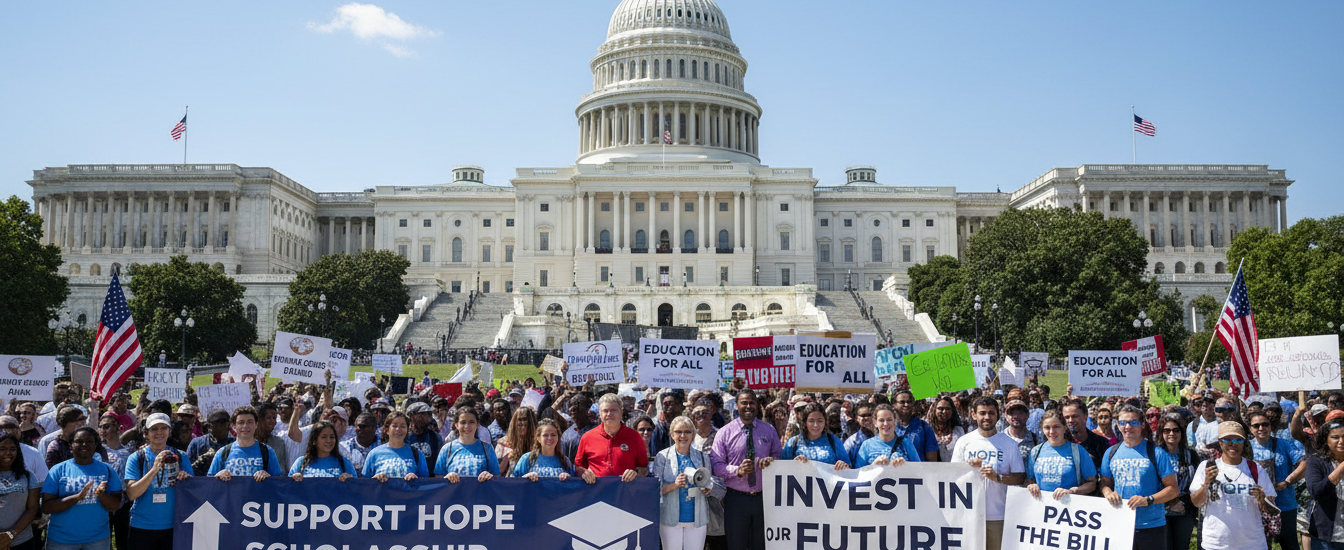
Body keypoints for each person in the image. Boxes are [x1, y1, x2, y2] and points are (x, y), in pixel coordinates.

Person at [1099, 405, 1179, 550]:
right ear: (1117, 425)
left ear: (1142, 425)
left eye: (1134, 422)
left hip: (1151, 526)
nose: (1128, 427)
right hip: (1121, 523)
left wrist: (1148, 500)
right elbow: (1105, 483)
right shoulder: (1111, 452)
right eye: (1123, 423)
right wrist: (1108, 492)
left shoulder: (1156, 452)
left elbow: (1173, 490)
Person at [951, 396, 1025, 550]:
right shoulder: (964, 442)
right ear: (973, 415)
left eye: (991, 413)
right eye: (982, 413)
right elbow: (953, 477)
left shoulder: (1009, 444)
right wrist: (969, 467)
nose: (987, 417)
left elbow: (1019, 478)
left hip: (998, 515)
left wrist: (997, 477)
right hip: (969, 514)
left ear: (998, 415)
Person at [1190, 421, 1277, 550]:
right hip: (1216, 544)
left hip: (1252, 544)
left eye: (1238, 440)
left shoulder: (1255, 469)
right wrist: (1206, 484)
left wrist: (1262, 498)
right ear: (1220, 442)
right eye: (1227, 440)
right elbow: (1196, 502)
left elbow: (1272, 509)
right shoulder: (1207, 467)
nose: (1233, 444)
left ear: (1243, 443)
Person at [711, 390, 780, 550]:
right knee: (736, 545)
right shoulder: (724, 432)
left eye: (752, 403)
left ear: (757, 405)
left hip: (763, 499)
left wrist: (772, 462)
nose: (748, 406)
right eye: (744, 403)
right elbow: (717, 465)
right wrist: (737, 471)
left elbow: (778, 455)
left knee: (761, 545)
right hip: (736, 500)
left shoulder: (769, 430)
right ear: (736, 405)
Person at [41, 427, 123, 550]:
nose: (84, 444)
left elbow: (115, 505)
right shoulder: (58, 470)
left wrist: (101, 496)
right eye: (79, 441)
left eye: (89, 441)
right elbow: (46, 507)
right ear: (71, 445)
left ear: (95, 444)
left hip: (97, 539)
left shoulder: (107, 470)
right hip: (61, 540)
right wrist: (76, 498)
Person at [123, 413, 190, 550]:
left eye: (163, 428)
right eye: (154, 429)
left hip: (174, 525)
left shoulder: (181, 456)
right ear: (146, 434)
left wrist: (185, 480)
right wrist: (154, 469)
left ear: (169, 431)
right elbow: (132, 494)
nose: (159, 432)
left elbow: (191, 494)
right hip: (142, 526)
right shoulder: (136, 458)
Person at [653, 416, 715, 550]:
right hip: (670, 518)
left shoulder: (703, 456)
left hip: (697, 518)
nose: (683, 436)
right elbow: (654, 491)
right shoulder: (662, 456)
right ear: (672, 434)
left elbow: (710, 482)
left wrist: (707, 488)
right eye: (678, 432)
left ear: (693, 434)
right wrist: (674, 485)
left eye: (687, 431)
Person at [1249, 410, 1305, 550]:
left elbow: (1304, 463)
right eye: (1256, 425)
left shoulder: (1283, 444)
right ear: (1250, 428)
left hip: (1285, 505)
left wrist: (1288, 481)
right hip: (1256, 507)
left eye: (1265, 424)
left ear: (1270, 426)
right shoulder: (1246, 448)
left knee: (1290, 544)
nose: (1261, 428)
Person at [1025, 410, 1097, 499]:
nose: (1052, 431)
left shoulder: (1078, 451)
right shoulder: (1036, 451)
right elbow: (1029, 479)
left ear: (1065, 428)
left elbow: (1092, 483)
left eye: (1056, 427)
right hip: (1042, 504)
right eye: (1047, 427)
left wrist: (1072, 491)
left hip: (1069, 504)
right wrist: (1032, 485)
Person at [576, 394, 649, 482]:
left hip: (625, 489)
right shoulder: (587, 437)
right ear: (600, 413)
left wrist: (636, 473)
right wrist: (584, 473)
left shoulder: (634, 437)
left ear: (621, 412)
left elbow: (644, 468)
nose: (609, 414)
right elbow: (578, 466)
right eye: (605, 411)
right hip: (596, 489)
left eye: (613, 410)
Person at [1154, 413, 1199, 550]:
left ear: (1182, 432)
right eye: (1166, 430)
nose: (1171, 434)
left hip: (1184, 510)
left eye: (1176, 430)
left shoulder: (1191, 455)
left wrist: (1183, 503)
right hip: (1159, 510)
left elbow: (1197, 484)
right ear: (1161, 433)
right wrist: (1169, 502)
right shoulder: (1154, 454)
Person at [207, 406, 283, 481]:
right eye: (241, 422)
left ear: (256, 424)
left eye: (250, 422)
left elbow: (279, 482)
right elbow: (209, 483)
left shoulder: (268, 452)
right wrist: (217, 477)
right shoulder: (223, 453)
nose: (245, 426)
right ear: (233, 426)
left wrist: (268, 477)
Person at [1305, 419, 1344, 548]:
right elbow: (1315, 491)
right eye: (1335, 437)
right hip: (1327, 535)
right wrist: (1340, 468)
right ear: (1325, 440)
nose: (1341, 441)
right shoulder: (1316, 461)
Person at [434, 408, 500, 482]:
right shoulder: (447, 448)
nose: (467, 426)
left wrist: (489, 476)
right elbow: (438, 478)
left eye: (471, 422)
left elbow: (497, 477)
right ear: (456, 425)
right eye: (463, 422)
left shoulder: (487, 448)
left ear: (477, 424)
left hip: (480, 490)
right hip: (454, 490)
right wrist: (447, 478)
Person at [0, 433, 40, 550]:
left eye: (12, 449)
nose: (8, 453)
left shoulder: (27, 476)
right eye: (2, 449)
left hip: (22, 540)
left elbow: (32, 509)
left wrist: (10, 535)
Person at [362, 412, 430, 481]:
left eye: (402, 426)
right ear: (386, 430)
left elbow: (426, 483)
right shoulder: (374, 454)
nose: (398, 429)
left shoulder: (417, 454)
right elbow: (364, 483)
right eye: (394, 426)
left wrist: (415, 478)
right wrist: (375, 480)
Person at [782, 403, 850, 469]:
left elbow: (848, 469)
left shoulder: (834, 441)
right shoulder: (792, 443)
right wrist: (793, 464)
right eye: (811, 421)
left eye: (819, 421)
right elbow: (782, 469)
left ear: (825, 421)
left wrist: (843, 466)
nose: (815, 425)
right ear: (805, 422)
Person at [855, 404, 921, 467]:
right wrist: (874, 466)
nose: (886, 424)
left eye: (889, 420)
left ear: (895, 421)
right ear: (875, 422)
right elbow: (859, 472)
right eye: (881, 420)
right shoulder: (867, 445)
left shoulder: (906, 443)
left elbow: (919, 469)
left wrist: (905, 465)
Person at [289, 420, 356, 480]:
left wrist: (350, 480)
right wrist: (294, 479)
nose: (329, 440)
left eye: (332, 437)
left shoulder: (344, 463)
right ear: (314, 441)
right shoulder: (301, 463)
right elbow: (288, 487)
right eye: (324, 437)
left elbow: (357, 488)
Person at [512, 419, 576, 480]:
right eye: (545, 435)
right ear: (538, 438)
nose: (549, 438)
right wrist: (525, 478)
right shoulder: (527, 459)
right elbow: (513, 483)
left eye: (553, 435)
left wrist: (568, 478)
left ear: (558, 437)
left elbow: (574, 485)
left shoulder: (565, 461)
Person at [891, 390, 939, 462]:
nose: (906, 405)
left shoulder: (923, 427)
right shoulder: (888, 427)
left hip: (918, 468)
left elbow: (932, 459)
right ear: (894, 405)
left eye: (909, 402)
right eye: (902, 402)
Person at [185, 409, 234, 476]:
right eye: (221, 422)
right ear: (210, 426)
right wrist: (202, 460)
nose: (226, 426)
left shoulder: (234, 444)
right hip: (202, 481)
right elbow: (186, 471)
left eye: (228, 423)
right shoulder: (197, 443)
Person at [1063, 400, 1108, 469]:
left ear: (1085, 416)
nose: (1070, 420)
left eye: (1075, 416)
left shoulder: (1101, 443)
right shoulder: (1059, 442)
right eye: (1067, 417)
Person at [496, 407, 536, 476]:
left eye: (525, 419)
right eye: (519, 419)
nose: (522, 423)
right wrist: (507, 456)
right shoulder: (503, 443)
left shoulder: (539, 444)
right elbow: (496, 471)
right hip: (511, 481)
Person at [928, 396, 964, 462]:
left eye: (947, 408)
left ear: (952, 411)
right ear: (934, 410)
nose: (944, 411)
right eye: (940, 408)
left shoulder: (959, 431)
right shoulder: (928, 431)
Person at [560, 394, 595, 462]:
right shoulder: (567, 435)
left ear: (587, 411)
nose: (575, 412)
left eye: (579, 410)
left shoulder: (598, 431)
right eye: (573, 410)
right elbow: (563, 460)